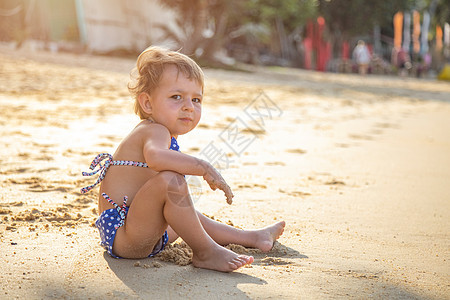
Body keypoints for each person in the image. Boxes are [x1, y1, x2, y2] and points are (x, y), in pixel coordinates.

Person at [80, 46, 285, 272]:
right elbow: (156, 158)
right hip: (125, 236)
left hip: (143, 234)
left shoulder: (163, 133)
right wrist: (203, 167)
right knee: (171, 182)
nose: (188, 106)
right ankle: (206, 252)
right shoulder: (154, 130)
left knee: (185, 213)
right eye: (176, 97)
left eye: (196, 99)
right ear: (147, 103)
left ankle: (253, 237)